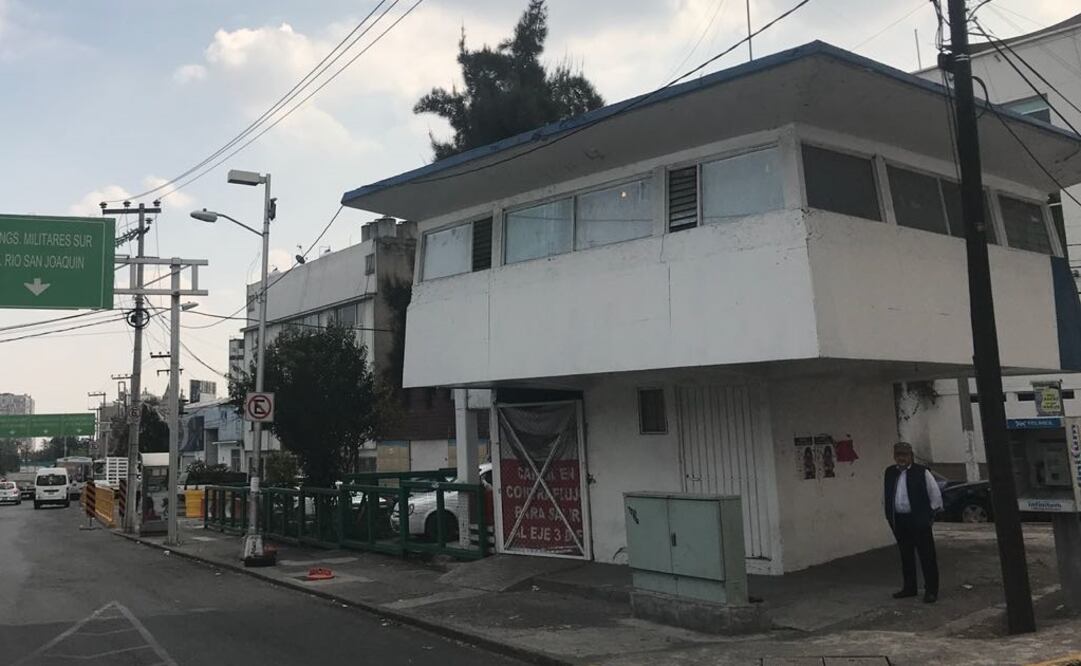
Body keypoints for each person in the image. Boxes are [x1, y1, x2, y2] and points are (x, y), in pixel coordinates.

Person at [883, 441, 943, 603]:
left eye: (904, 455)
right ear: (894, 456)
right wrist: (889, 515)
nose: (901, 458)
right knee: (906, 555)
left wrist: (929, 517)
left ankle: (931, 590)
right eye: (898, 455)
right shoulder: (890, 472)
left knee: (927, 556)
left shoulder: (921, 472)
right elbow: (887, 495)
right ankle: (909, 587)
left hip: (919, 520)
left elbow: (935, 496)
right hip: (900, 520)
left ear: (911, 456)